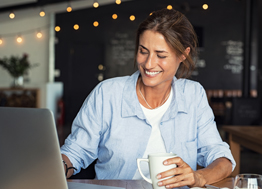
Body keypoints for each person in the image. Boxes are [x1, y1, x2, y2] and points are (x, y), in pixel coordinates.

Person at [60, 8, 236, 188]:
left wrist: (199, 177)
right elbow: (76, 151)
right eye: (143, 51)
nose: (149, 63)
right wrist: (56, 167)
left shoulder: (193, 95)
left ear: (183, 54)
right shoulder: (108, 93)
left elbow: (222, 159)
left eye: (161, 55)